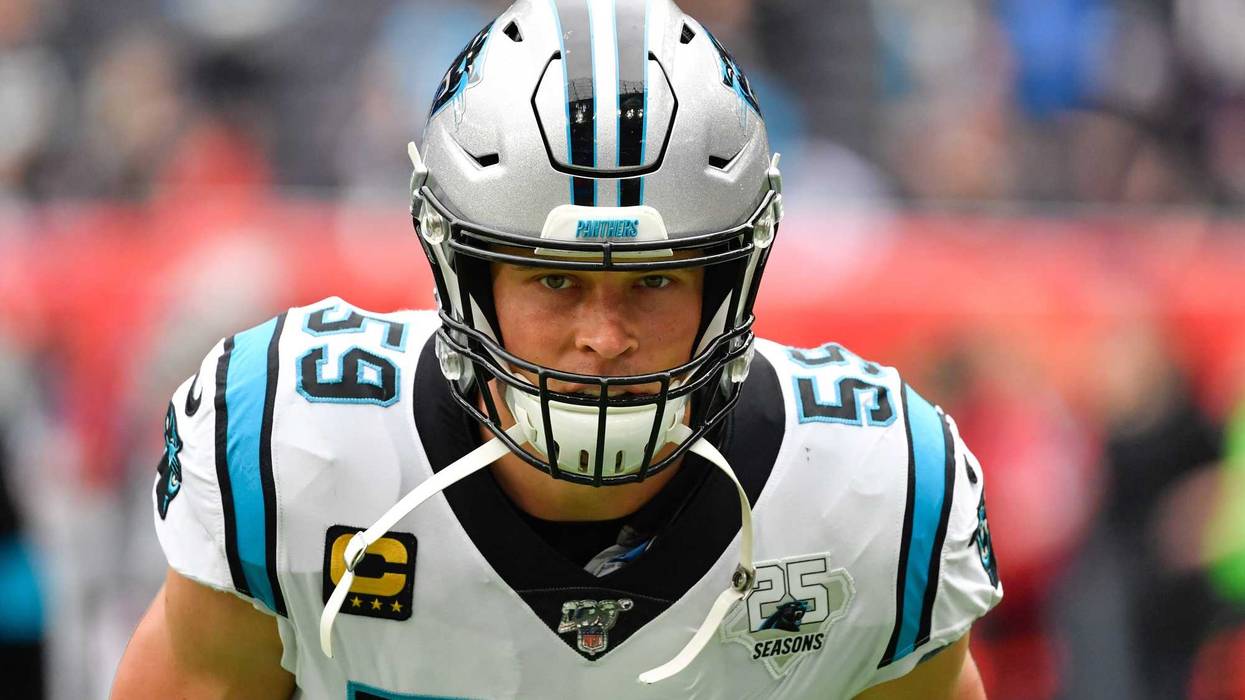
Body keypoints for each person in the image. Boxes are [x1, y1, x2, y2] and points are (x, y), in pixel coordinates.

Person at [112, 1, 1001, 697]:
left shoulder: (872, 491)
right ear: (465, 270)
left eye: (652, 282)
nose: (602, 336)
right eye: (554, 281)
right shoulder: (297, 451)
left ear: (727, 284)